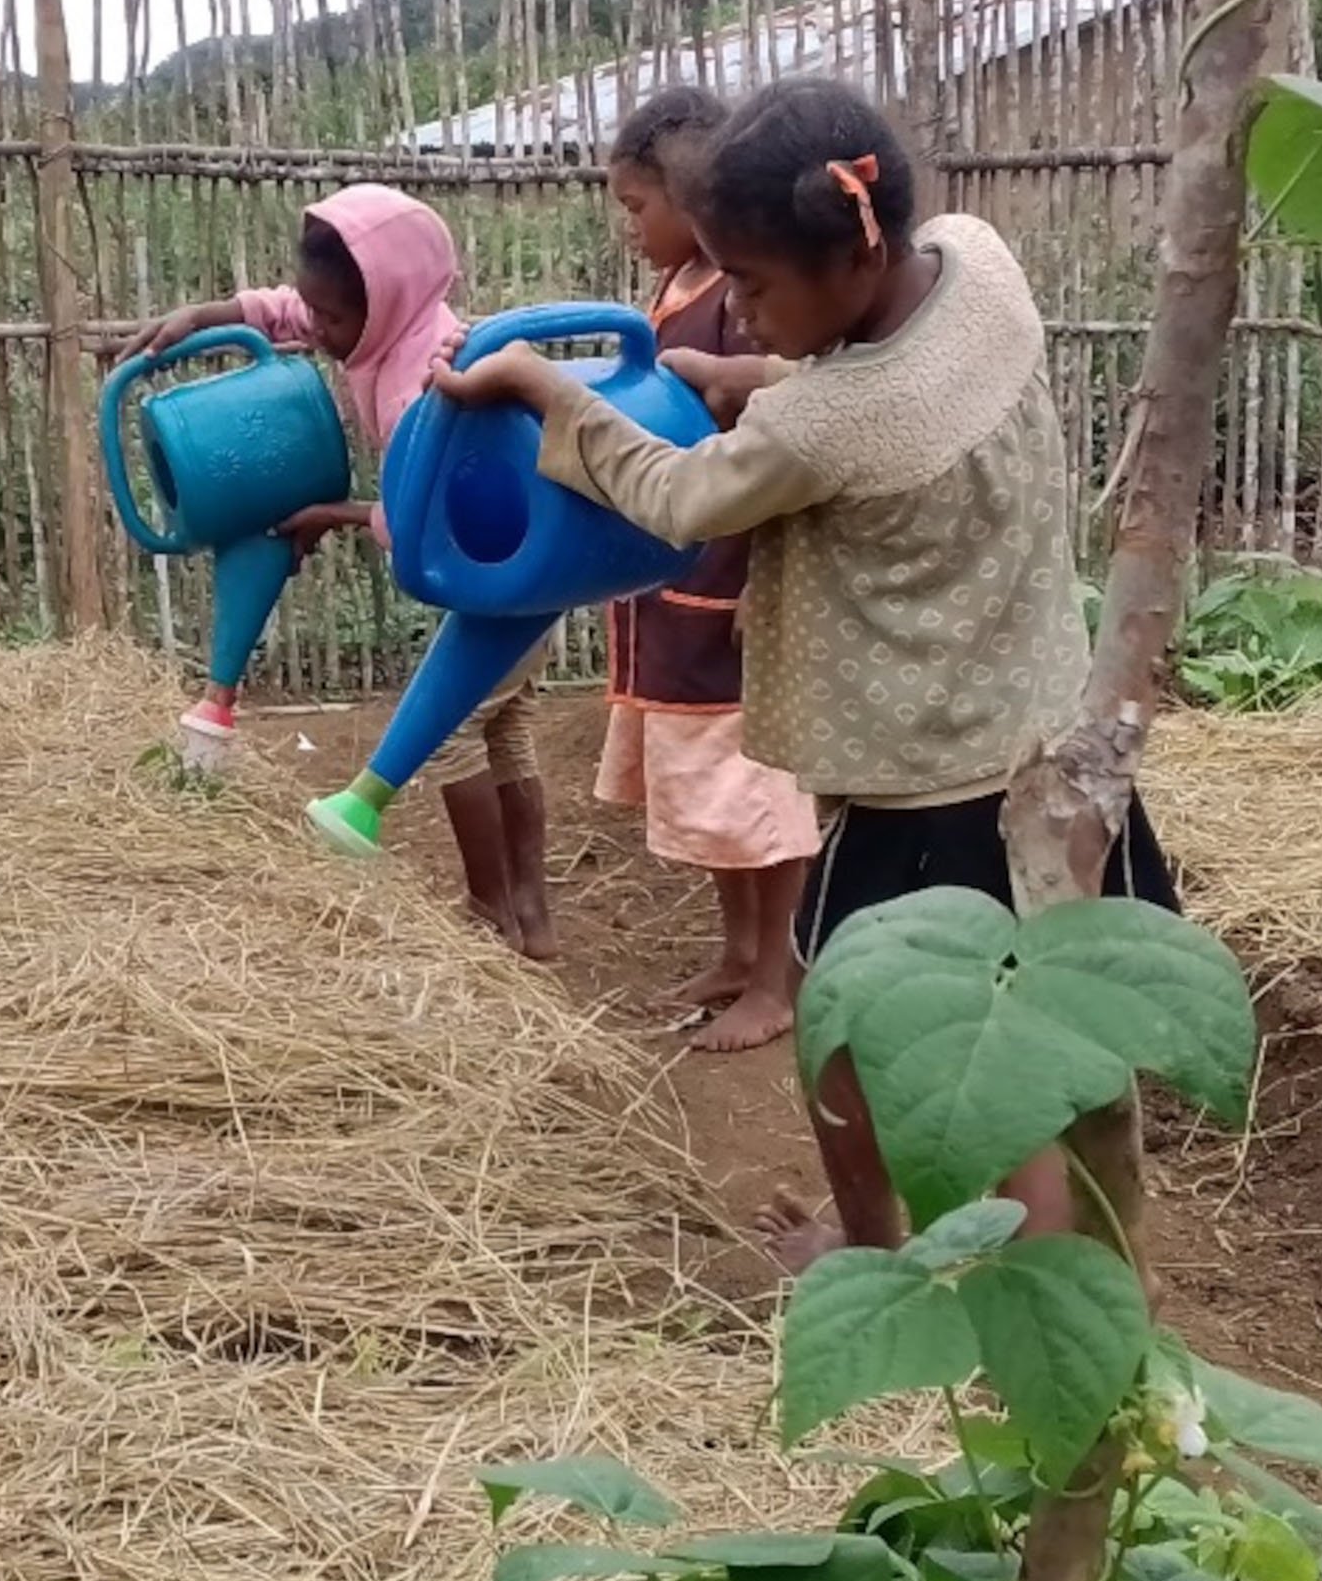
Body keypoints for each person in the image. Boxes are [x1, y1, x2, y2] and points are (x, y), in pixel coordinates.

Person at [424, 79, 1177, 1261]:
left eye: (760, 287)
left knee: (856, 1029)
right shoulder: (977, 270)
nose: (743, 310)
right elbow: (898, 396)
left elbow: (681, 496)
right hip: (1054, 747)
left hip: (923, 800)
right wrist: (765, 379)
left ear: (850, 260)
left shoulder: (823, 427)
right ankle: (1089, 1274)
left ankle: (874, 1249)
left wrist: (546, 391)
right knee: (1049, 1023)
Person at [123, 186, 554, 955]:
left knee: (449, 736)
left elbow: (413, 517)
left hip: (494, 566)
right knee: (507, 728)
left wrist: (332, 514)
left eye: (334, 319)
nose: (317, 332)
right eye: (315, 313)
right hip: (528, 566)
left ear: (385, 300)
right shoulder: (386, 326)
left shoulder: (416, 383)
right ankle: (531, 915)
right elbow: (285, 309)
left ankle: (491, 912)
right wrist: (203, 317)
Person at [594, 88, 821, 1052]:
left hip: (729, 586)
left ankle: (780, 978)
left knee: (759, 799)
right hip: (675, 589)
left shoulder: (737, 302)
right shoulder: (678, 291)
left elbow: (780, 443)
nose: (631, 226)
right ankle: (739, 953)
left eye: (638, 206)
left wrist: (763, 581)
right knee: (714, 803)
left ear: (691, 198)